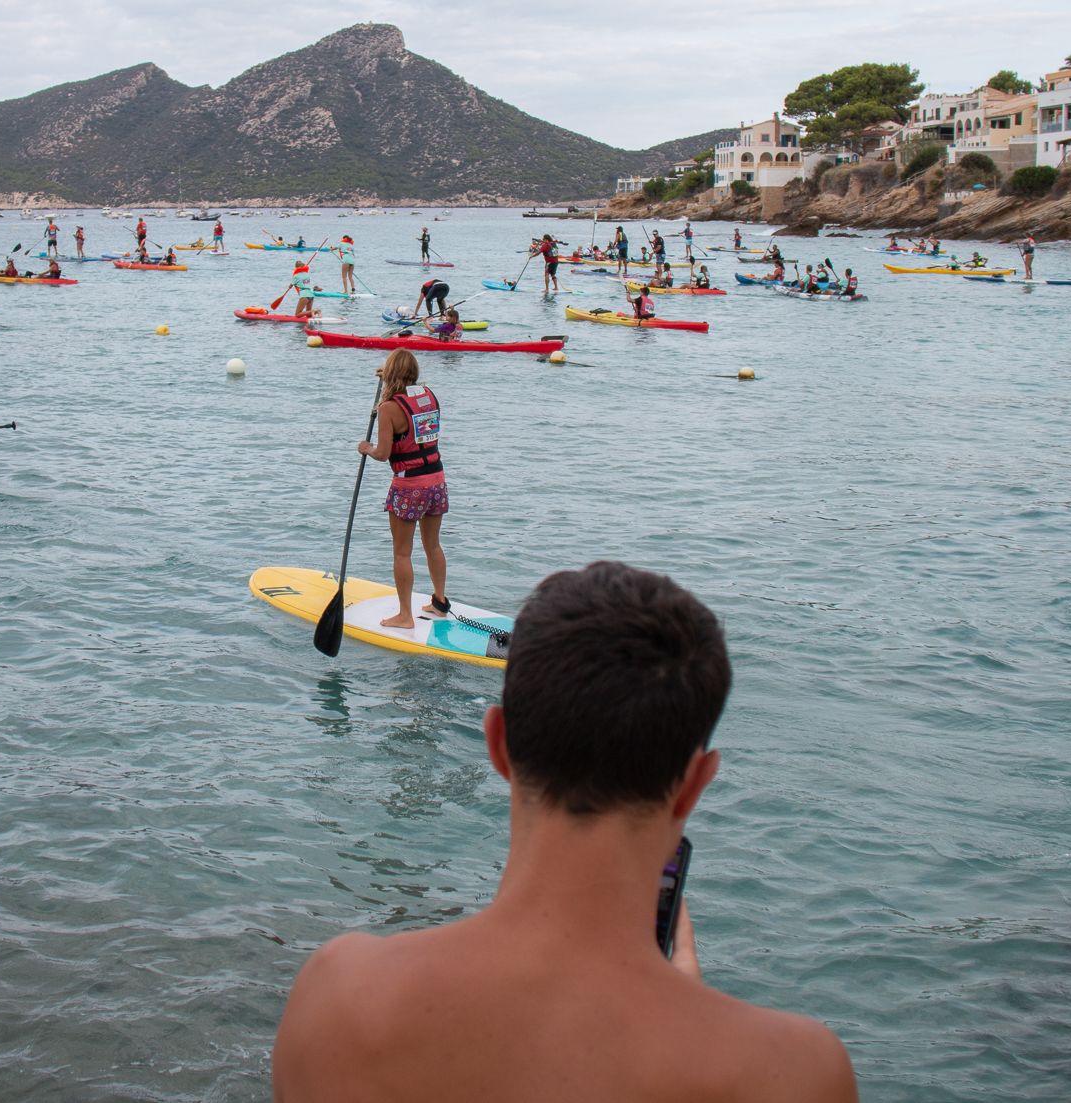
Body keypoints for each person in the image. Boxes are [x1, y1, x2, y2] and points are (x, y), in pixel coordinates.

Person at [272, 560, 859, 1103]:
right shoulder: (797, 1072)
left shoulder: (341, 997)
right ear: (695, 784)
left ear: (499, 744)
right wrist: (688, 1000)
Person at [353, 350, 448, 630]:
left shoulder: (388, 409)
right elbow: (410, 407)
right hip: (436, 479)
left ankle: (405, 616)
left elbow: (383, 453)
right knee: (433, 544)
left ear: (392, 374)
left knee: (402, 553)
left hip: (409, 486)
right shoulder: (428, 394)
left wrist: (365, 448)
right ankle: (440, 602)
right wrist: (391, 377)